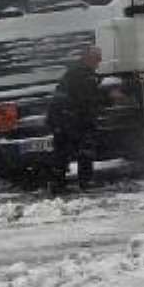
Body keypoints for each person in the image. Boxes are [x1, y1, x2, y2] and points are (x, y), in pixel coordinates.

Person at [47, 45, 111, 194]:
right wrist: (109, 97)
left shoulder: (76, 71)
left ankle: (57, 184)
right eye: (97, 59)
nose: (98, 63)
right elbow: (88, 98)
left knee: (62, 151)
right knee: (85, 148)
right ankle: (85, 182)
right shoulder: (83, 74)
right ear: (88, 58)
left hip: (61, 117)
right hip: (70, 117)